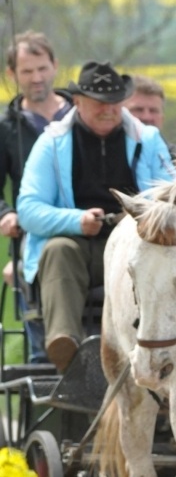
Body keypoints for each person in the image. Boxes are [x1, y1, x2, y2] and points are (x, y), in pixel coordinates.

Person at [17, 61, 174, 371]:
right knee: (58, 250)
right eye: (100, 103)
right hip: (79, 246)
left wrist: (139, 217)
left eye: (115, 102)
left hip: (135, 243)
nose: (109, 109)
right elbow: (29, 210)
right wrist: (77, 221)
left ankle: (157, 346)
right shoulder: (51, 143)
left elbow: (172, 196)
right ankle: (66, 346)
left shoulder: (148, 139)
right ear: (78, 102)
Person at [0, 30, 74, 363]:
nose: (37, 78)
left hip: (86, 227)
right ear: (11, 75)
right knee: (42, 341)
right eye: (27, 71)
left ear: (55, 66)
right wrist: (6, 214)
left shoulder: (79, 116)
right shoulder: (6, 127)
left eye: (42, 68)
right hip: (33, 237)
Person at [123, 74, 176, 159]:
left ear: (162, 118)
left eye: (153, 111)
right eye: (138, 109)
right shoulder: (105, 160)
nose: (146, 117)